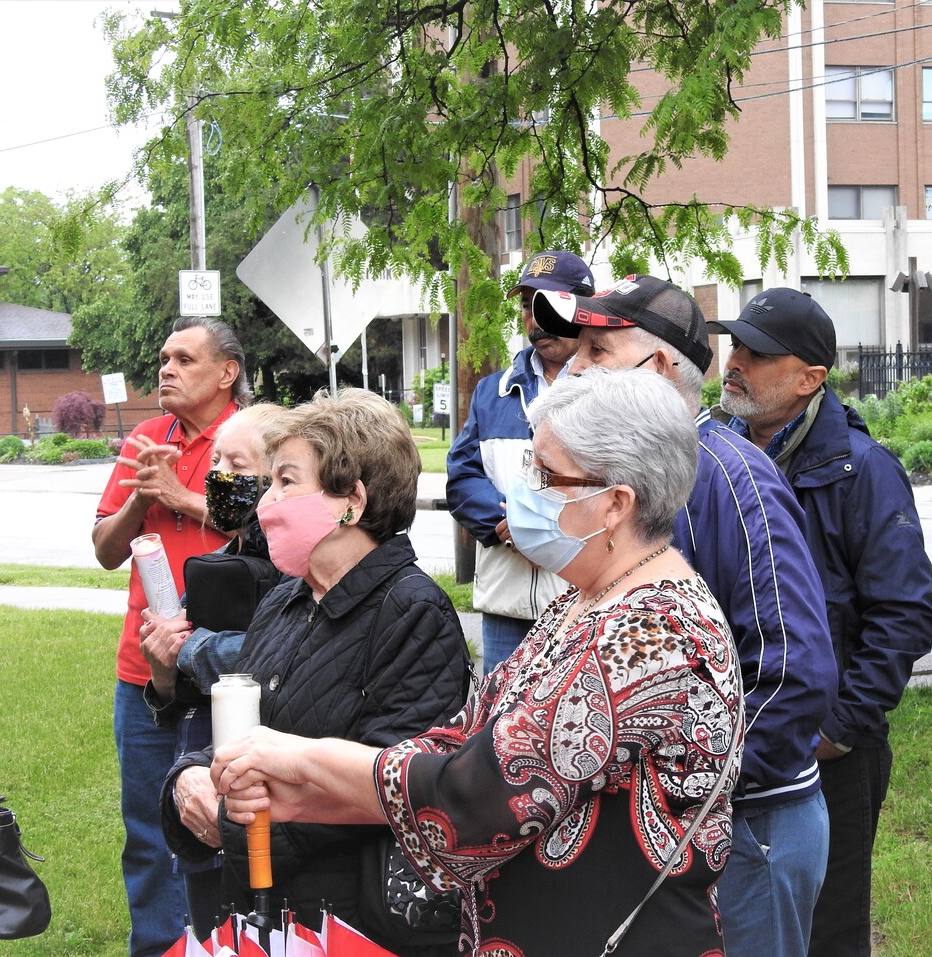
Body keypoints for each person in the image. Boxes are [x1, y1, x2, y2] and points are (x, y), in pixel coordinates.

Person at [211, 367, 742, 955]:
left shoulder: (652, 633)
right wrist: (312, 792)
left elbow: (481, 796)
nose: (523, 492)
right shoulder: (587, 598)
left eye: (545, 474)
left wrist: (303, 758)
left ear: (615, 504)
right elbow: (464, 738)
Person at [532, 275, 836, 957]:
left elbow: (794, 672)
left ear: (661, 367)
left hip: (749, 829)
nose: (574, 367)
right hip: (662, 832)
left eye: (597, 352)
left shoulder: (735, 478)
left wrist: (687, 787)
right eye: (576, 349)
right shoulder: (629, 481)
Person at [160, 388, 471, 945]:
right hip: (265, 912)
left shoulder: (411, 611)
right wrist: (188, 780)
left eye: (286, 481)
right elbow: (243, 727)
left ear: (350, 500)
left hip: (350, 924)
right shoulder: (287, 598)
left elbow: (398, 781)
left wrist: (239, 824)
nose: (263, 503)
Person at [712, 287, 932, 957]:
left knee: (826, 931)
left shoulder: (863, 471)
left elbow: (902, 614)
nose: (735, 361)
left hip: (828, 754)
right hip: (730, 739)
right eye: (735, 345)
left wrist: (838, 728)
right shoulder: (710, 454)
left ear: (811, 377)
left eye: (758, 352)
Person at [93, 315, 248, 957]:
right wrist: (140, 496)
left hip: (229, 671)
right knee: (149, 833)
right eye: (164, 358)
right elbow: (105, 550)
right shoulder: (145, 438)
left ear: (226, 373)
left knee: (227, 824)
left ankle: (224, 942)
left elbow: (270, 537)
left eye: (185, 359)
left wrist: (181, 497)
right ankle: (157, 947)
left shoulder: (252, 437)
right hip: (145, 672)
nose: (166, 370)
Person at [137, 402, 287, 937]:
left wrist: (191, 649)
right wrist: (163, 667)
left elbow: (277, 657)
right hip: (200, 764)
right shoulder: (218, 559)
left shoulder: (294, 565)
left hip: (267, 777)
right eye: (216, 462)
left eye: (239, 466)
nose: (221, 476)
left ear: (281, 475)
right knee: (212, 923)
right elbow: (172, 685)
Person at [447, 250, 596, 674]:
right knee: (499, 729)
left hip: (580, 598)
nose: (535, 319)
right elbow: (462, 478)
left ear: (583, 309)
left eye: (547, 305)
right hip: (504, 608)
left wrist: (547, 530)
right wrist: (511, 525)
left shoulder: (609, 391)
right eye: (528, 307)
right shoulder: (492, 392)